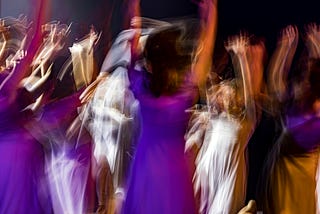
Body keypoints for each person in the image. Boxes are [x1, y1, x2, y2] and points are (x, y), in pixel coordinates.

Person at [120, 0, 218, 213]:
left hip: (146, 165)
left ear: (151, 60)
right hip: (174, 170)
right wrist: (210, 16)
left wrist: (133, 11)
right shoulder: (185, 91)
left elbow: (132, 48)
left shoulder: (141, 87)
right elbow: (205, 53)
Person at [259, 24, 320, 214]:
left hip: (300, 178)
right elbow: (275, 79)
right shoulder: (294, 102)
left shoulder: (312, 109)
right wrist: (285, 49)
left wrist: (311, 46)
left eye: (306, 77)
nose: (301, 80)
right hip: (282, 176)